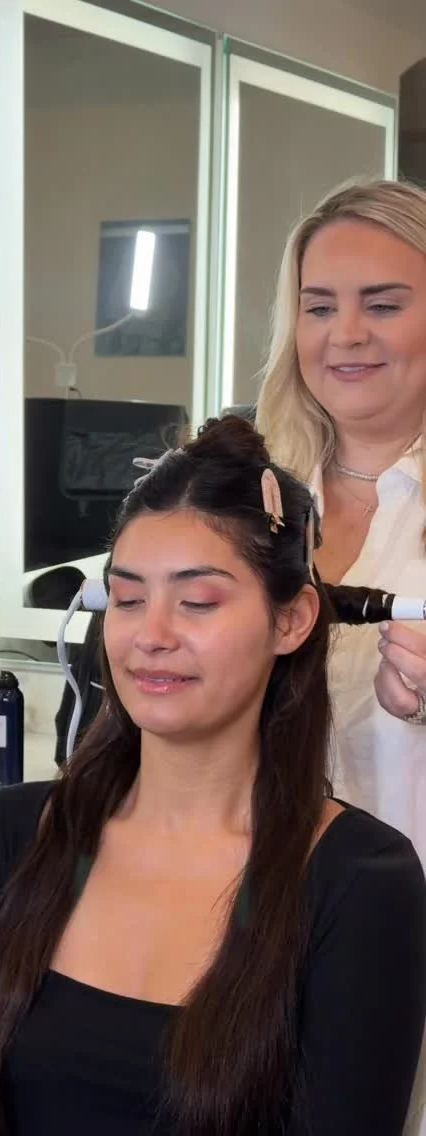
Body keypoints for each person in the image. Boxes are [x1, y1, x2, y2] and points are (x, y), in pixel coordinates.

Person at [0, 416, 426, 1136]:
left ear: (292, 621)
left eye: (198, 602)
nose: (150, 636)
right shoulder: (11, 839)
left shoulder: (359, 882)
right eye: (127, 599)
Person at [256, 178, 426, 862]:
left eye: (383, 305)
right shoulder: (245, 494)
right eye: (320, 307)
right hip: (257, 900)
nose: (346, 334)